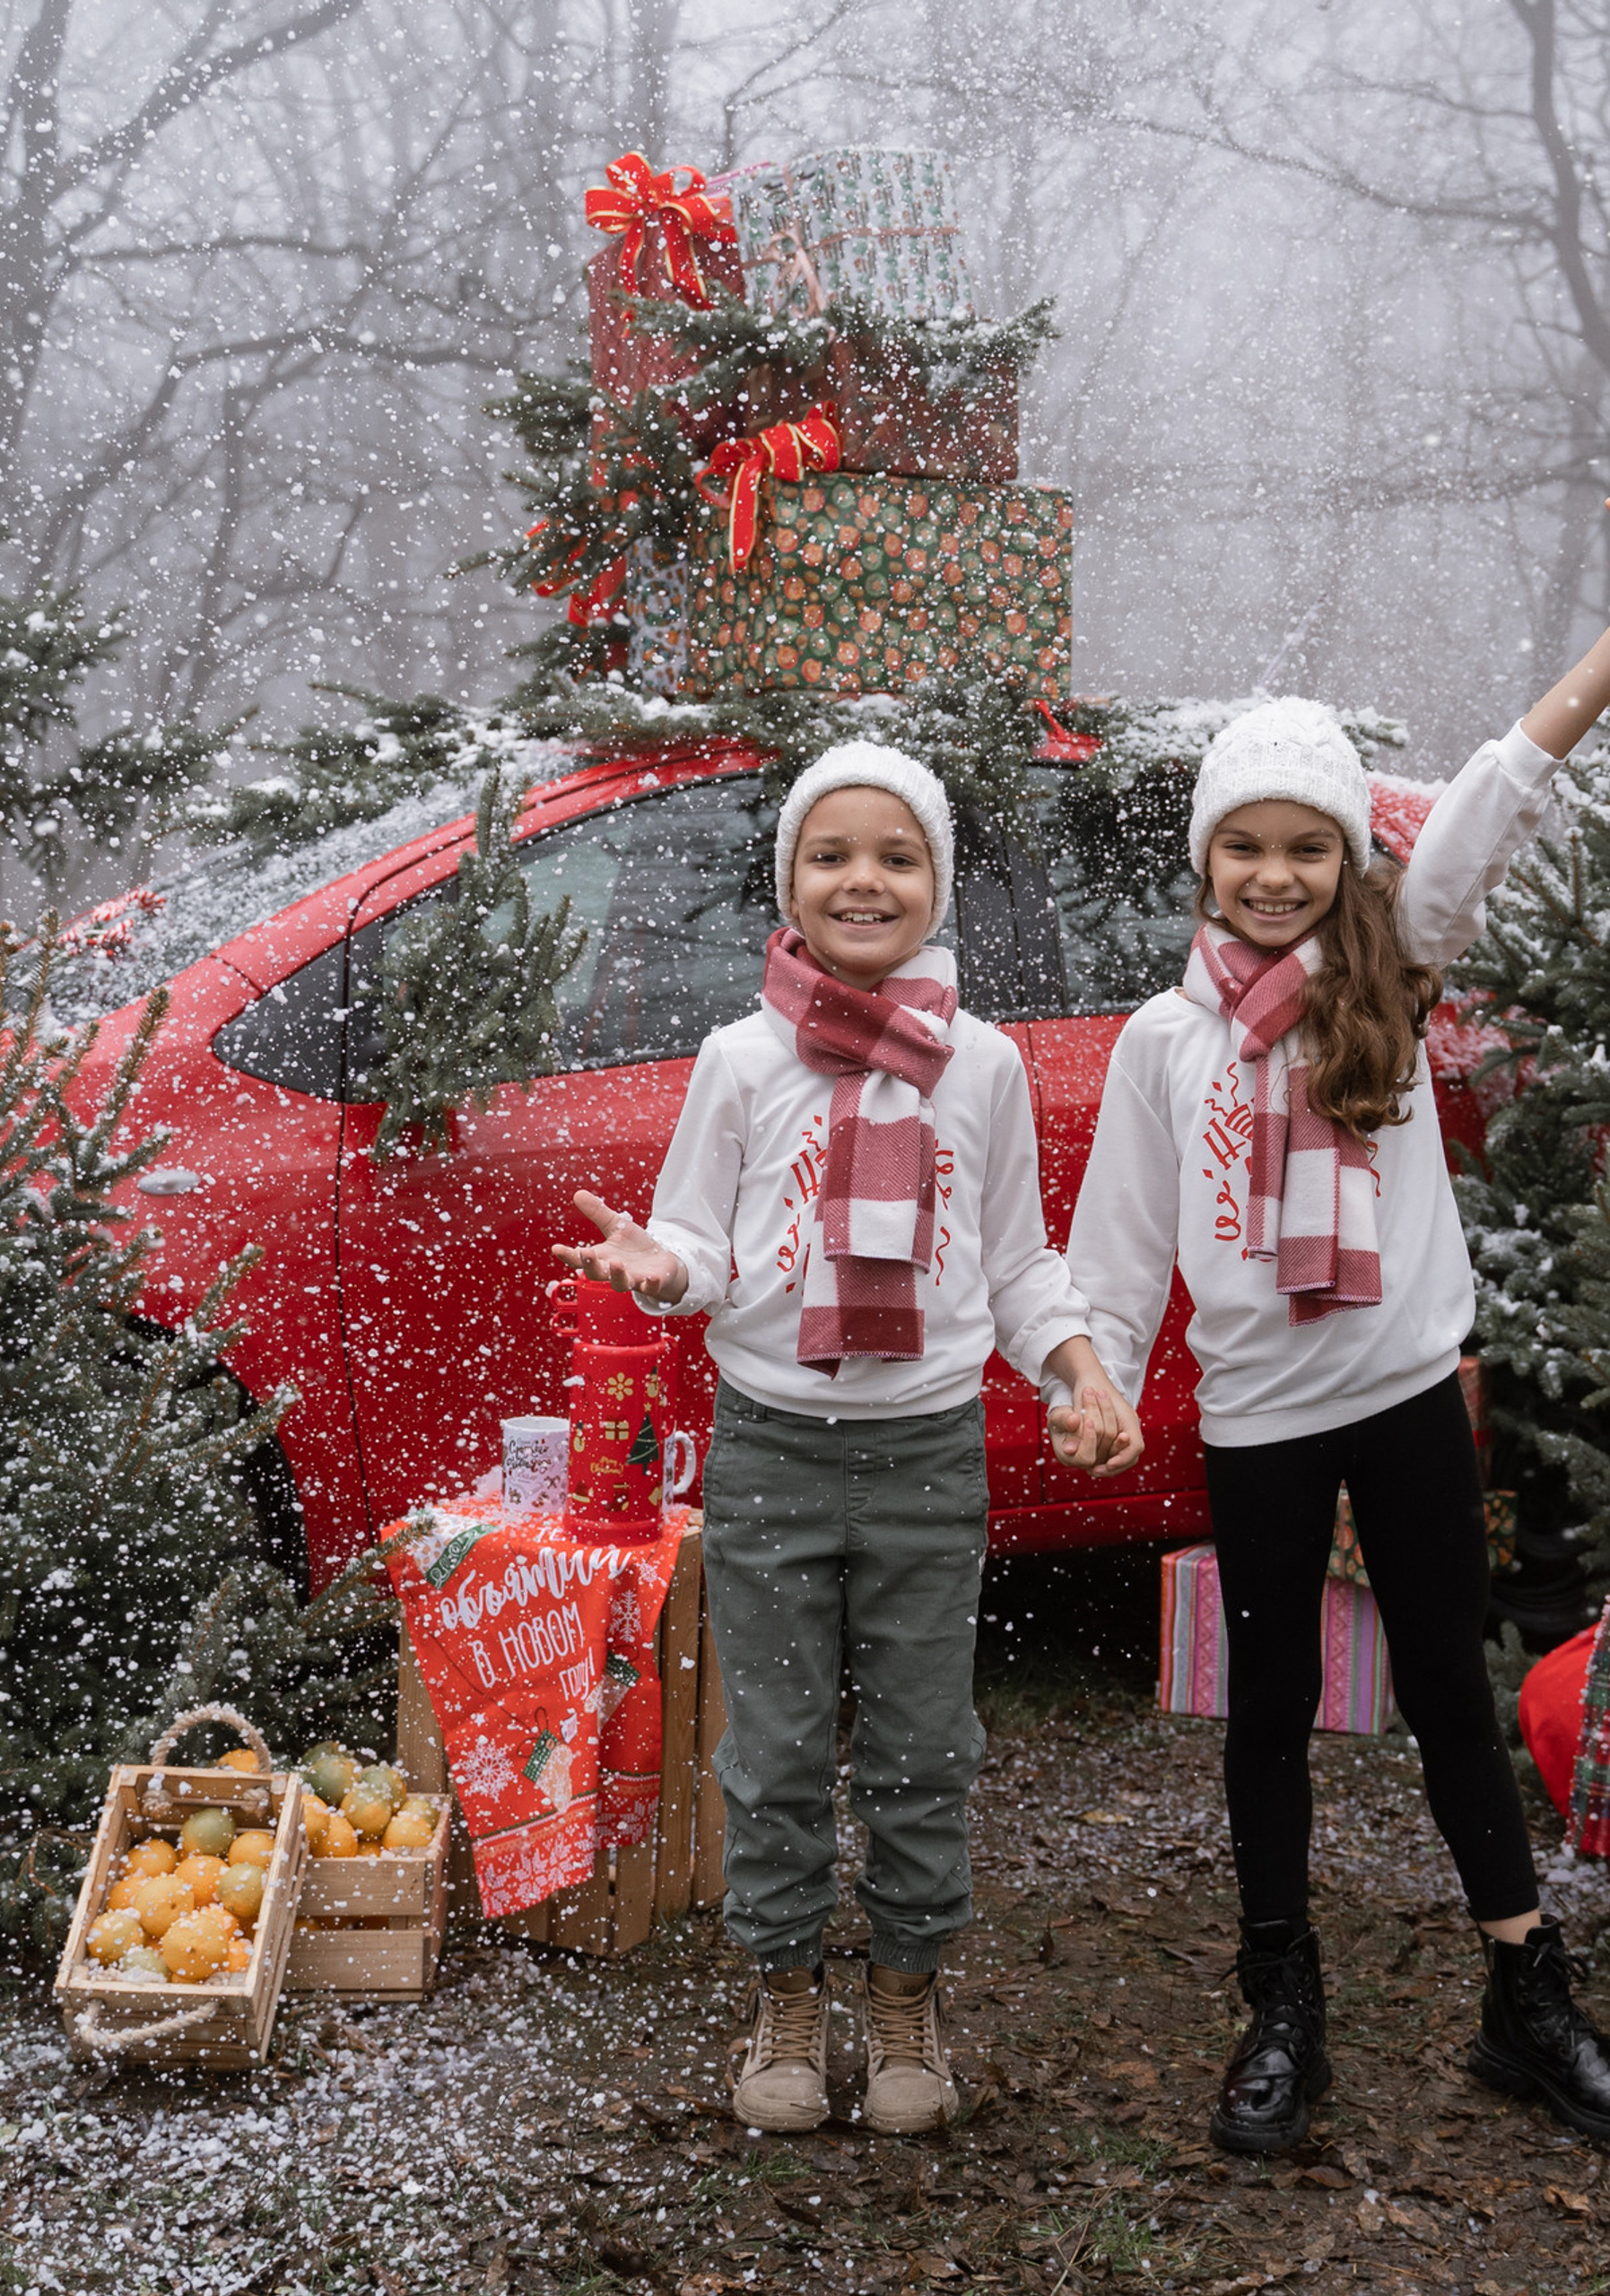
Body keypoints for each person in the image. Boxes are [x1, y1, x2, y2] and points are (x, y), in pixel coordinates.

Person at [1059, 474, 1610, 2152]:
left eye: (1307, 847)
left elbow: (1509, 779)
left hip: (1401, 1396)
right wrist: (1084, 1375)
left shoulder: (1401, 966)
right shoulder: (1168, 1048)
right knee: (1272, 1709)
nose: (1276, 874)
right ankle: (1281, 2003)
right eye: (1246, 847)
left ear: (1346, 862)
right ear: (1205, 861)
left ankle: (1523, 1996)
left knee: (1452, 1688)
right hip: (1258, 1423)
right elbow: (1115, 1253)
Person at [553, 742, 1144, 2138]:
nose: (862, 880)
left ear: (936, 884)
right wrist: (662, 1265)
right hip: (770, 1448)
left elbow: (1018, 1267)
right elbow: (700, 1239)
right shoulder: (740, 1061)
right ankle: (782, 1989)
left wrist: (1079, 1370)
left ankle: (904, 1996)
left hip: (931, 1457)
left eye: (896, 856)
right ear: (790, 882)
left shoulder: (983, 1067)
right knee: (771, 1745)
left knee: (924, 1749)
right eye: (832, 855)